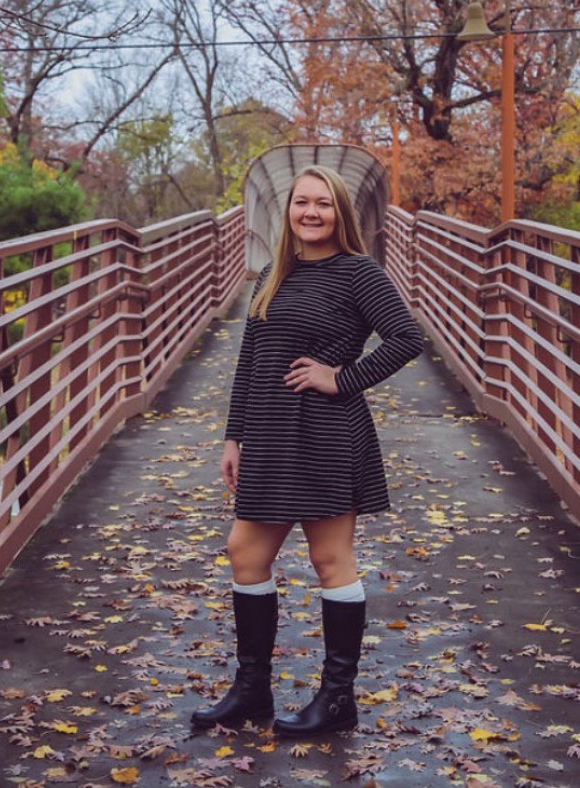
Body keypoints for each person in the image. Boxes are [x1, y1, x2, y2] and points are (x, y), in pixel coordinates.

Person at [191, 164, 424, 736]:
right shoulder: (275, 273)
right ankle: (252, 693)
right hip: (268, 433)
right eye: (302, 203)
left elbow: (407, 337)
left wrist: (340, 378)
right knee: (245, 553)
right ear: (287, 211)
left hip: (325, 432)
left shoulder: (357, 273)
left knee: (329, 560)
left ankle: (338, 700)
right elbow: (251, 362)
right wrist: (233, 436)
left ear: (339, 213)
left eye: (323, 203)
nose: (311, 212)